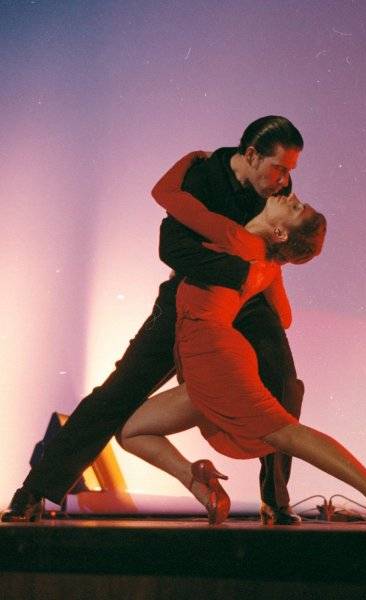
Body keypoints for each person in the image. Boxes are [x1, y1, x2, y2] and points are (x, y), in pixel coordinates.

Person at [2, 116, 307, 524]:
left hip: (248, 302)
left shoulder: (275, 189)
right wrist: (240, 272)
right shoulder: (202, 176)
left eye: (289, 171)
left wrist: (256, 278)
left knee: (284, 384)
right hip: (190, 294)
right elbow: (174, 250)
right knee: (119, 390)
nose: (285, 181)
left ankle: (276, 500)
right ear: (251, 155)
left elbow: (279, 249)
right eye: (279, 168)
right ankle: (34, 491)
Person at [117, 152, 366, 528]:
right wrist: (257, 279)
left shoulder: (236, 238)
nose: (290, 195)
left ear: (280, 232)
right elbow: (285, 317)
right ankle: (198, 481)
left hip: (216, 359)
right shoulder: (267, 263)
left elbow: (167, 194)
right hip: (205, 362)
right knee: (131, 430)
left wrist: (195, 158)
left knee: (286, 433)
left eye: (294, 207)